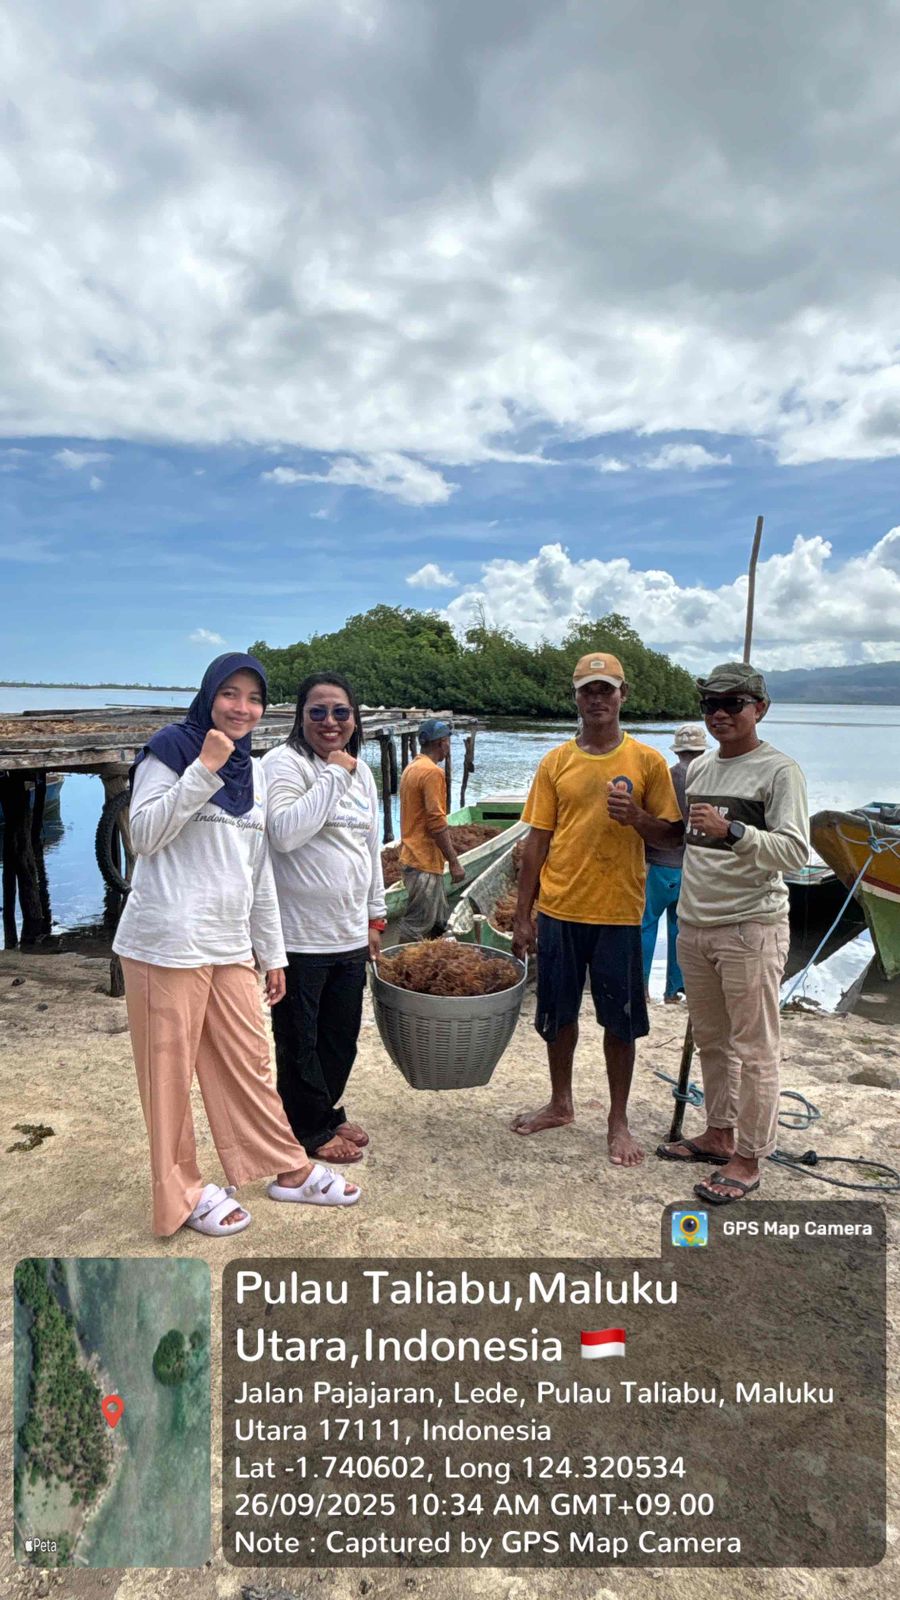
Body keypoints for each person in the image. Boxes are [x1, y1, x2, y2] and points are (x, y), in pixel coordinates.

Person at [113, 653, 360, 1237]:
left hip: (228, 946)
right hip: (166, 943)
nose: (242, 708)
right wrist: (202, 770)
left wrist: (271, 952)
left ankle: (287, 1168)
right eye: (230, 694)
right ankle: (182, 1191)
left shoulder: (247, 772)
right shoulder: (172, 749)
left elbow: (258, 875)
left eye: (253, 699)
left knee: (249, 1063)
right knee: (169, 1075)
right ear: (208, 696)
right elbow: (143, 836)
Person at [510, 651, 684, 1165]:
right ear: (577, 698)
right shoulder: (557, 761)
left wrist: (637, 818)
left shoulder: (648, 762)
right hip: (562, 908)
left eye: (606, 689)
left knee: (621, 1022)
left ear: (623, 695)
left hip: (620, 912)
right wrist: (525, 913)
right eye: (588, 690)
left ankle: (618, 1119)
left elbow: (671, 835)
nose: (597, 698)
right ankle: (561, 1103)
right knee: (557, 1015)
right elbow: (536, 842)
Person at [656, 662, 808, 1206]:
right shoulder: (701, 771)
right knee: (713, 1041)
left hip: (750, 928)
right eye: (710, 704)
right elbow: (689, 842)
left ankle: (749, 1156)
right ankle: (718, 1132)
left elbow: (793, 852)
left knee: (756, 1049)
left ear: (759, 709)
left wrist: (736, 830)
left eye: (734, 703)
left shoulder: (779, 772)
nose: (720, 713)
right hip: (696, 927)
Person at [262, 671, 386, 1165]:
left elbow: (370, 848)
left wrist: (376, 917)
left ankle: (325, 1110)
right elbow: (285, 833)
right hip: (298, 936)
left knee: (341, 1038)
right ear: (300, 716)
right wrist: (334, 772)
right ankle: (307, 1129)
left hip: (349, 932)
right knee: (299, 1040)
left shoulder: (365, 772)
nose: (330, 722)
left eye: (341, 712)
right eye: (318, 712)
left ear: (354, 718)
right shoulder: (283, 764)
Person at [640, 724, 708, 1002]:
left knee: (646, 925)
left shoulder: (665, 778)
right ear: (703, 750)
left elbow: (649, 821)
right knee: (681, 929)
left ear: (678, 751)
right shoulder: (711, 779)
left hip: (660, 864)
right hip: (692, 868)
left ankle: (641, 988)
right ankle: (675, 990)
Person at [397, 718, 464, 942]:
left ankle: (431, 960)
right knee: (416, 925)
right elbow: (436, 822)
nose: (448, 747)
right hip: (423, 860)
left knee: (436, 923)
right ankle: (397, 970)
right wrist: (453, 861)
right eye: (448, 743)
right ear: (442, 743)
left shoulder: (412, 768)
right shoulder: (432, 773)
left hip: (411, 856)